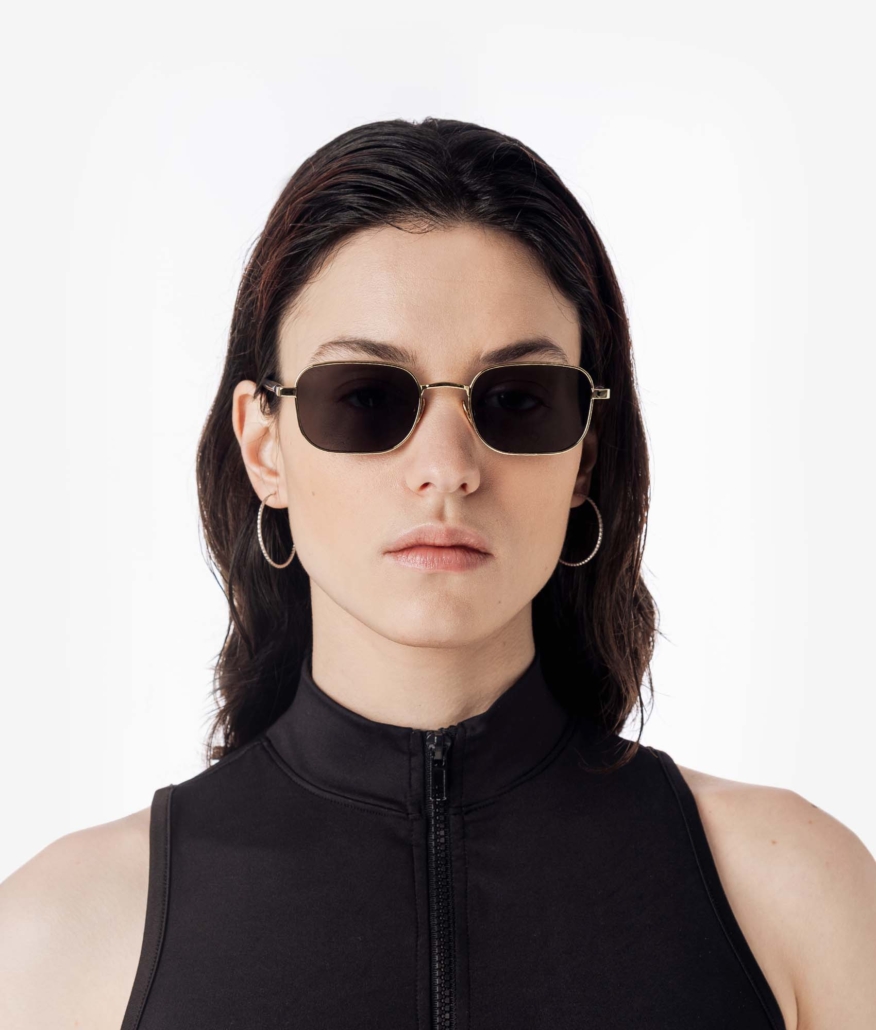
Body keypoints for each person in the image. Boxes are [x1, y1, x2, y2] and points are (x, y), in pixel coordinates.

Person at [1, 117, 874, 1029]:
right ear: (264, 446)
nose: (448, 468)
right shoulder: (56, 945)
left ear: (584, 453)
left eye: (519, 400)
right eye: (366, 397)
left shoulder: (796, 897)